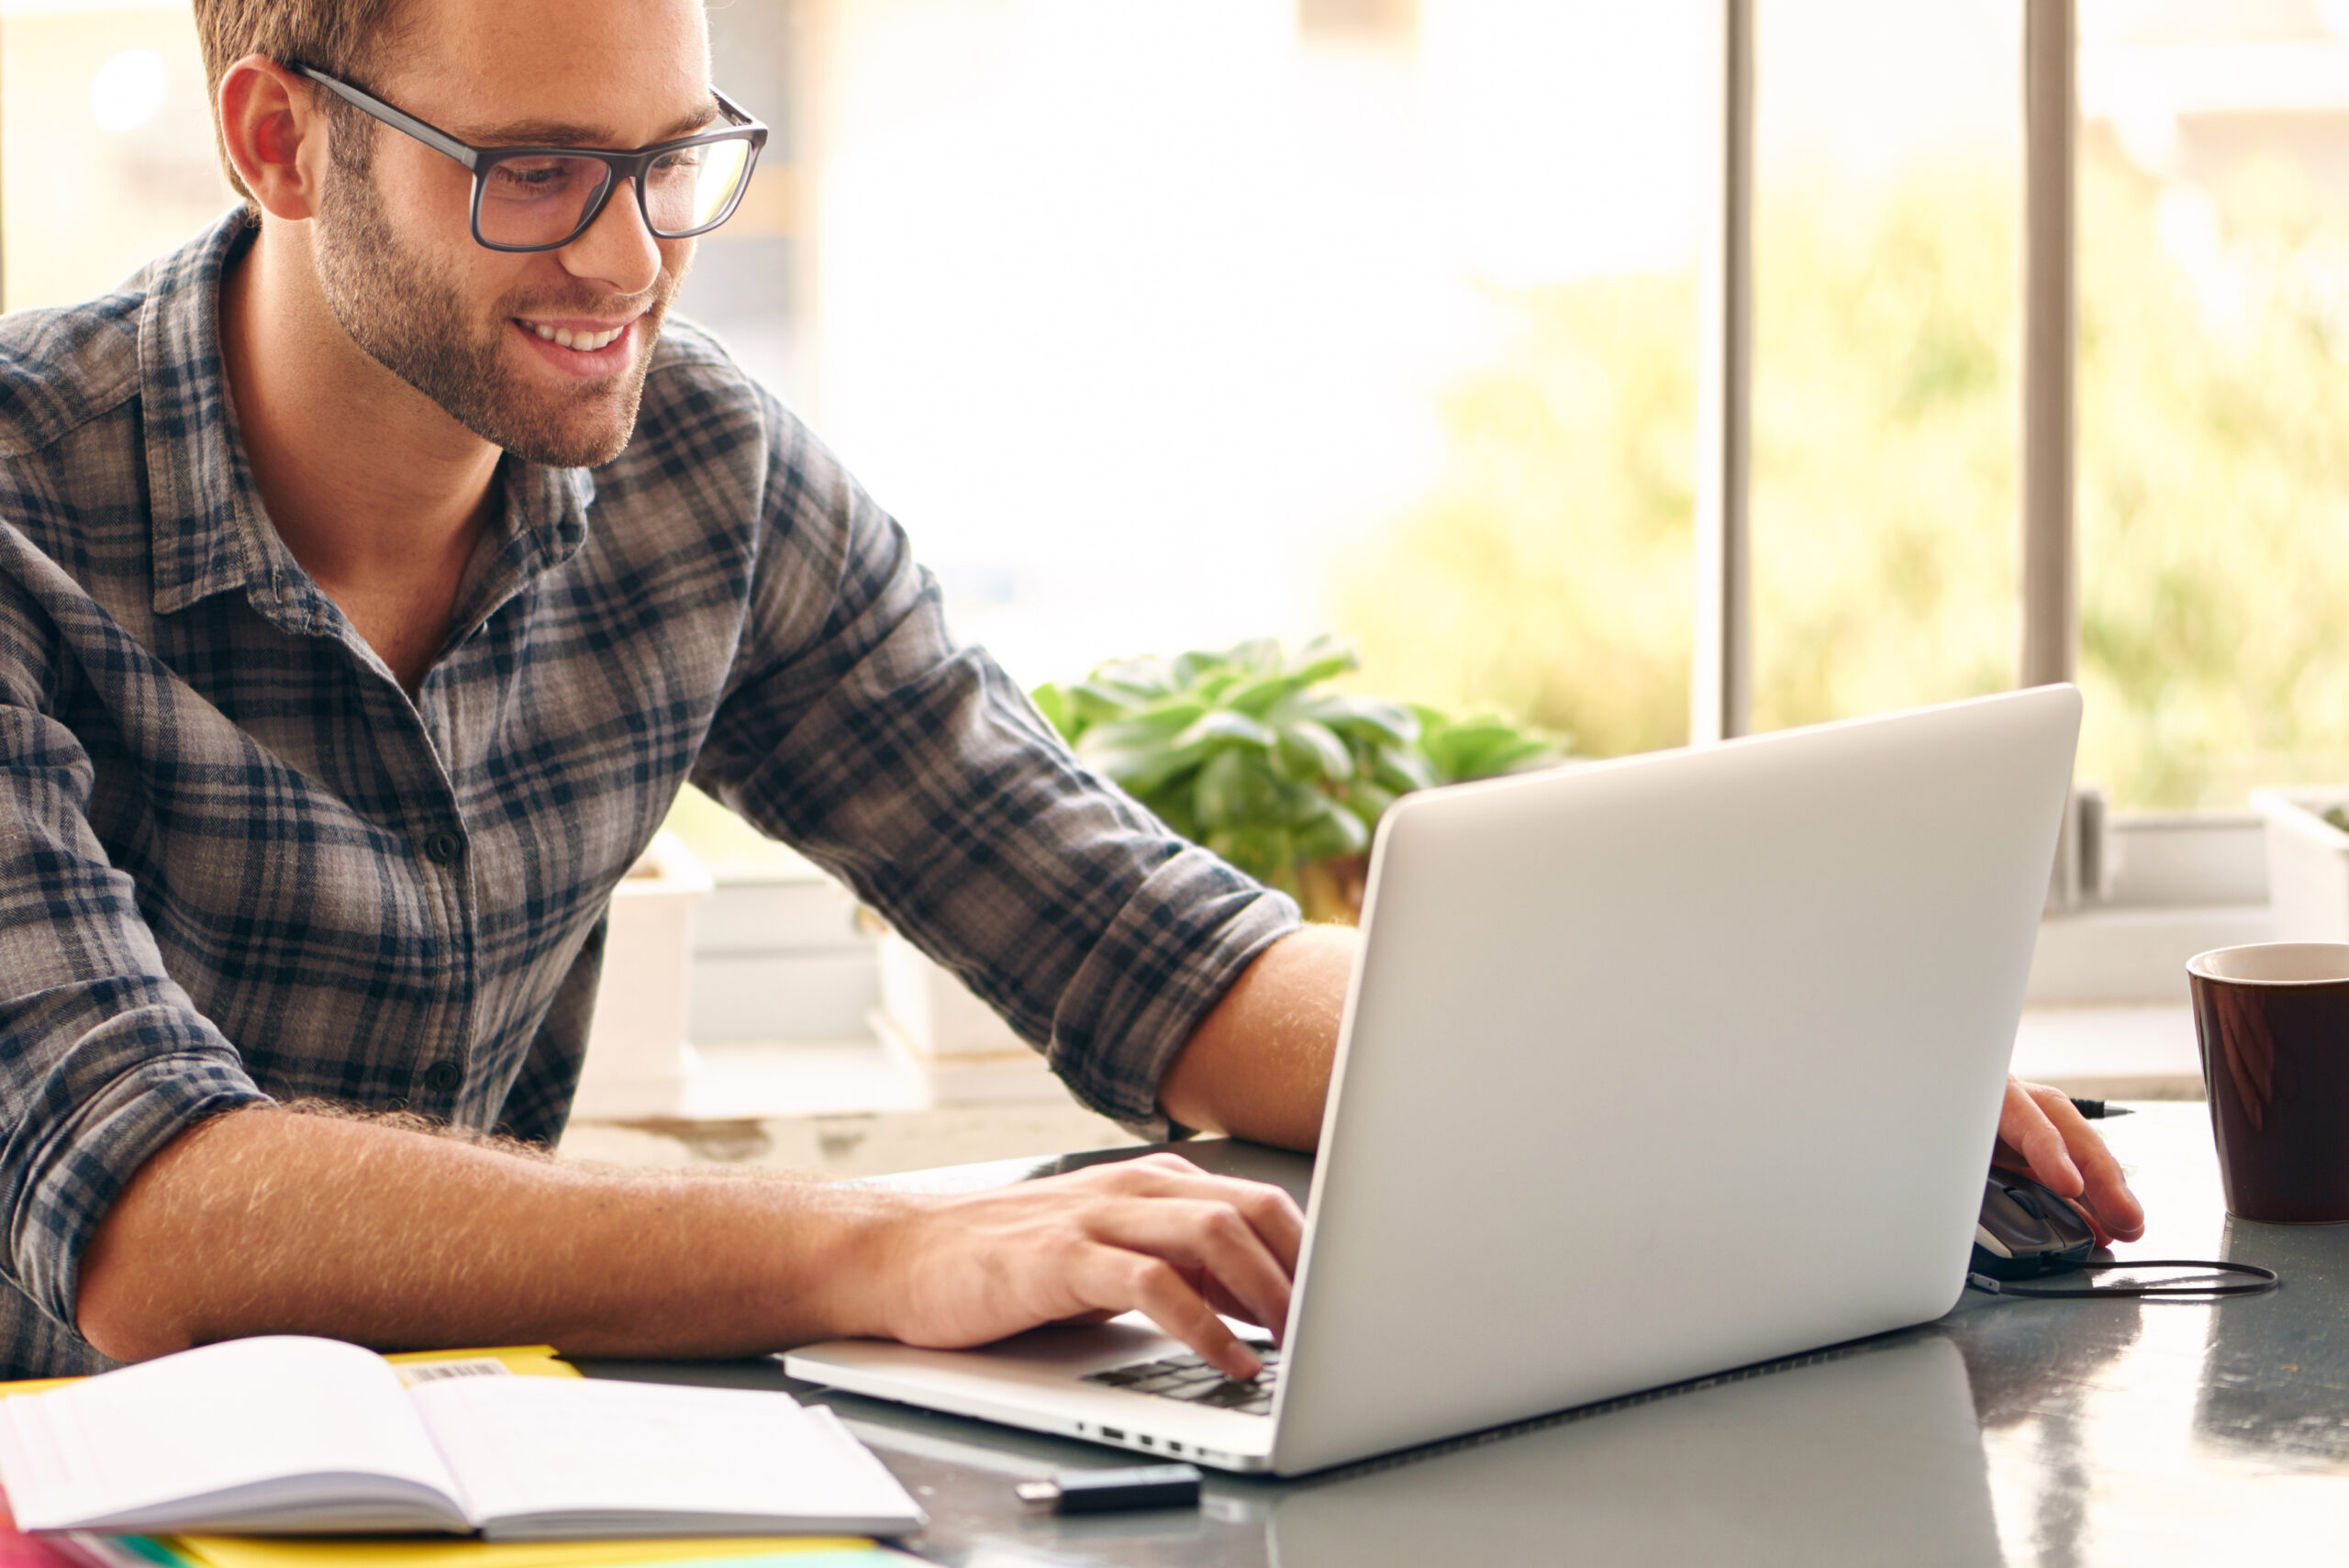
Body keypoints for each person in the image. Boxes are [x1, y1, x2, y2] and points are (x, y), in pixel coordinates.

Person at [0, 0, 2142, 1385]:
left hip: (454, 1486)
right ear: (278, 140)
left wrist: (1765, 1076)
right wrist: (879, 1244)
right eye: (536, 172)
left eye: (676, 161)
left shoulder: (700, 477)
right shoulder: (23, 507)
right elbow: (152, 1225)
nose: (636, 259)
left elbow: (1129, 936)